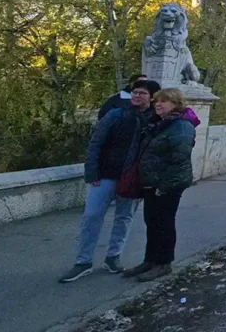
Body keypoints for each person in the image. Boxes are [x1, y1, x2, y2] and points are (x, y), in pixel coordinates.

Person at [59, 79, 161, 283]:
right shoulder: (116, 114)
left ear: (151, 97)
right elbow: (95, 143)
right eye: (135, 92)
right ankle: (83, 261)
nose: (136, 95)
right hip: (106, 174)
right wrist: (92, 173)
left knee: (124, 218)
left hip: (133, 179)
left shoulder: (155, 120)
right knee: (92, 216)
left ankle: (113, 257)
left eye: (142, 93)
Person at [123, 88, 197, 282]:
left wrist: (164, 186)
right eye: (157, 101)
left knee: (163, 224)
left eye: (164, 101)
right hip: (152, 183)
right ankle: (150, 260)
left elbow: (179, 160)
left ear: (176, 104)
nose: (158, 104)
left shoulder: (181, 126)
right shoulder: (160, 124)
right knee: (152, 222)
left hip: (167, 186)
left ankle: (163, 263)